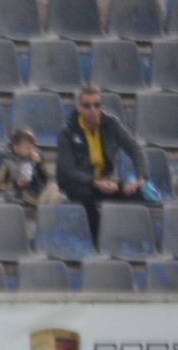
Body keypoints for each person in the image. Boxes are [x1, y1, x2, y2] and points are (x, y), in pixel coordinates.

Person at [55, 86, 145, 244]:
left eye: (97, 105)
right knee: (85, 197)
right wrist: (94, 182)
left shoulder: (111, 124)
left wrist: (141, 178)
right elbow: (67, 171)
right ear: (79, 107)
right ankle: (98, 242)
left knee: (136, 194)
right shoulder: (67, 132)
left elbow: (134, 148)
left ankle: (124, 240)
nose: (93, 109)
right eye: (87, 105)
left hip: (105, 180)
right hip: (80, 183)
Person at [0, 128, 49, 213]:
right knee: (25, 196)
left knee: (53, 189)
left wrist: (40, 163)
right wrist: (16, 184)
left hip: (36, 190)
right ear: (16, 147)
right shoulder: (7, 160)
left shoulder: (37, 157)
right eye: (27, 148)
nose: (31, 150)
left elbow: (47, 179)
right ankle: (47, 205)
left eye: (32, 147)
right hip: (16, 194)